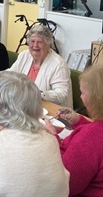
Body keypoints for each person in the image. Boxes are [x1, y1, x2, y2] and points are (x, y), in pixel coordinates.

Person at [44, 64, 103, 196]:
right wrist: (79, 120)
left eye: (82, 93)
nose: (81, 98)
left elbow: (65, 184)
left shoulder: (91, 137)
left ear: (95, 98)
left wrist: (52, 137)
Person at [0, 24, 73, 108]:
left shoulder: (58, 64)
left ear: (48, 45)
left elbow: (61, 95)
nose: (35, 45)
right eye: (32, 41)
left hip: (53, 112)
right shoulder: (25, 55)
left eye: (40, 42)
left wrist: (39, 94)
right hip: (26, 106)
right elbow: (11, 73)